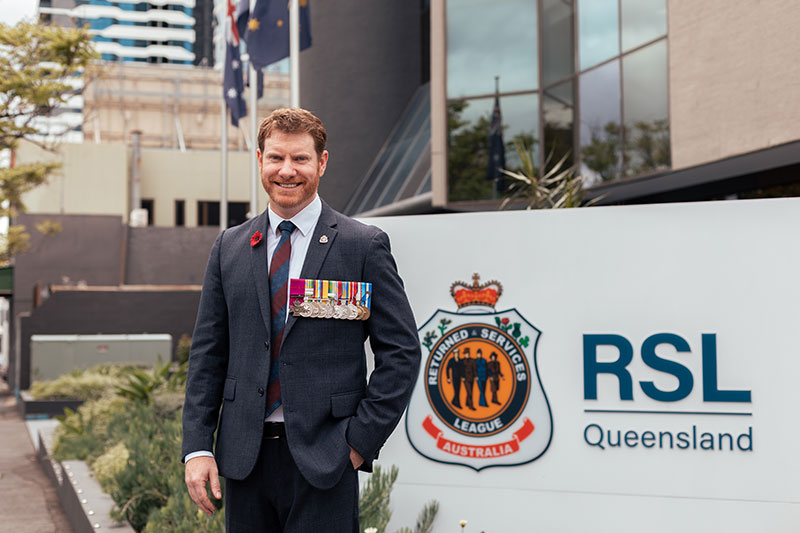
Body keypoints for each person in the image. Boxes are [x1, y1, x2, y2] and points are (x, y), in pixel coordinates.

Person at [182, 108, 421, 532]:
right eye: (275, 158)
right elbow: (207, 356)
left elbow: (401, 354)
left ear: (322, 162)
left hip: (326, 459)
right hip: (243, 460)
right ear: (259, 161)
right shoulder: (229, 247)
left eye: (300, 159)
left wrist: (358, 443)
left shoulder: (362, 246)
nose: (287, 171)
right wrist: (198, 448)